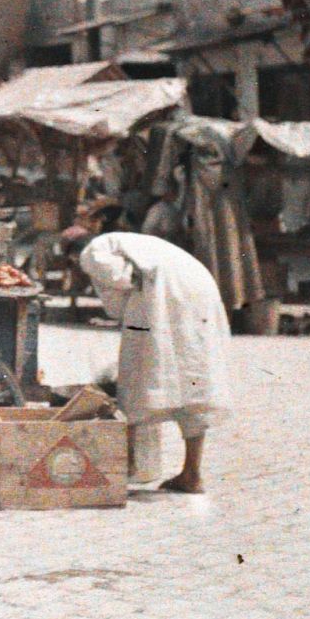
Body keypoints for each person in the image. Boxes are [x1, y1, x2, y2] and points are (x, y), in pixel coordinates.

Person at [68, 200, 237, 494]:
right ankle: (191, 473)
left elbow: (121, 279)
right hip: (195, 286)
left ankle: (126, 468)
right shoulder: (131, 243)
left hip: (166, 291)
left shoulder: (92, 250)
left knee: (137, 373)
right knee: (193, 377)